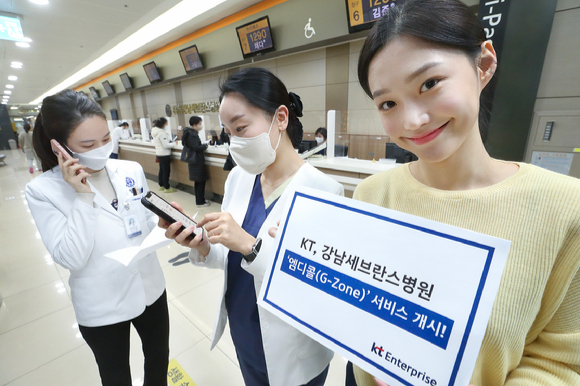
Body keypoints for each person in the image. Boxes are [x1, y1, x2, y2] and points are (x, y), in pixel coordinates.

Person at [351, 1, 580, 385]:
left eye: (429, 83)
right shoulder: (372, 194)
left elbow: (561, 363)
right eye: (388, 103)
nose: (412, 120)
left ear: (484, 64)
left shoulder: (565, 208)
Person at [160, 67, 344, 386]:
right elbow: (228, 255)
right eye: (228, 132)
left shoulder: (324, 191)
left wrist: (249, 244)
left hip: (294, 347)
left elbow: (318, 283)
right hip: (245, 331)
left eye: (241, 127)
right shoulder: (239, 179)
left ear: (281, 118)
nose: (234, 141)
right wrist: (203, 243)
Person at [26, 89, 169, 386]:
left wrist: (164, 224)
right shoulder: (43, 191)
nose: (101, 149)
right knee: (116, 376)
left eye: (106, 139)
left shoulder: (129, 169)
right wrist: (82, 197)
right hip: (103, 303)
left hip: (150, 287)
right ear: (59, 147)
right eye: (88, 144)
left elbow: (142, 222)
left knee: (158, 360)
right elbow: (71, 257)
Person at [182, 116, 209, 207]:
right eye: (200, 124)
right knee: (200, 182)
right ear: (194, 124)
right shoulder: (192, 134)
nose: (201, 126)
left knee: (198, 182)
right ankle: (200, 202)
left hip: (194, 161)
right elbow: (196, 148)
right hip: (197, 161)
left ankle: (200, 199)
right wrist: (205, 146)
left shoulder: (189, 133)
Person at [151, 117, 177, 193]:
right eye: (166, 124)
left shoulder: (155, 132)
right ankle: (167, 187)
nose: (167, 125)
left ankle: (161, 185)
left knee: (162, 170)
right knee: (166, 171)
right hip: (164, 154)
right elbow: (166, 145)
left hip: (159, 154)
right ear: (163, 124)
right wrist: (174, 143)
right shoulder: (162, 133)